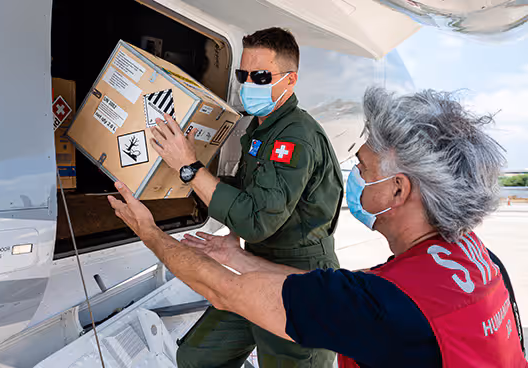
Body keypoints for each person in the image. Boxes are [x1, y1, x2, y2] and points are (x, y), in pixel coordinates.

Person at [109, 87, 527, 367]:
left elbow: (223, 291)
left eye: (363, 168)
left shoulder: (385, 307)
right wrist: (241, 258)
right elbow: (357, 291)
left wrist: (148, 230)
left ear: (398, 190)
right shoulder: (475, 260)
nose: (356, 176)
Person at [143, 27, 343, 367]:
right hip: (256, 266)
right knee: (197, 357)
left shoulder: (295, 136)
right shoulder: (262, 128)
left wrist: (191, 169)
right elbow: (249, 190)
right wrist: (183, 177)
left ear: (290, 80)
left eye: (261, 76)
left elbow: (256, 220)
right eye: (243, 74)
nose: (249, 84)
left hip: (299, 278)